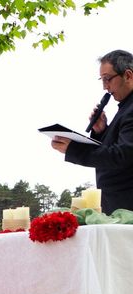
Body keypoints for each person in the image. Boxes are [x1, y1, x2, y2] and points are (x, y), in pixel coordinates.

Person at [51, 49, 133, 215]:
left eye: (107, 79)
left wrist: (74, 149)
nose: (105, 87)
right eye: (101, 80)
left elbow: (122, 156)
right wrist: (101, 132)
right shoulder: (125, 107)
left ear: (128, 76)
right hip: (119, 206)